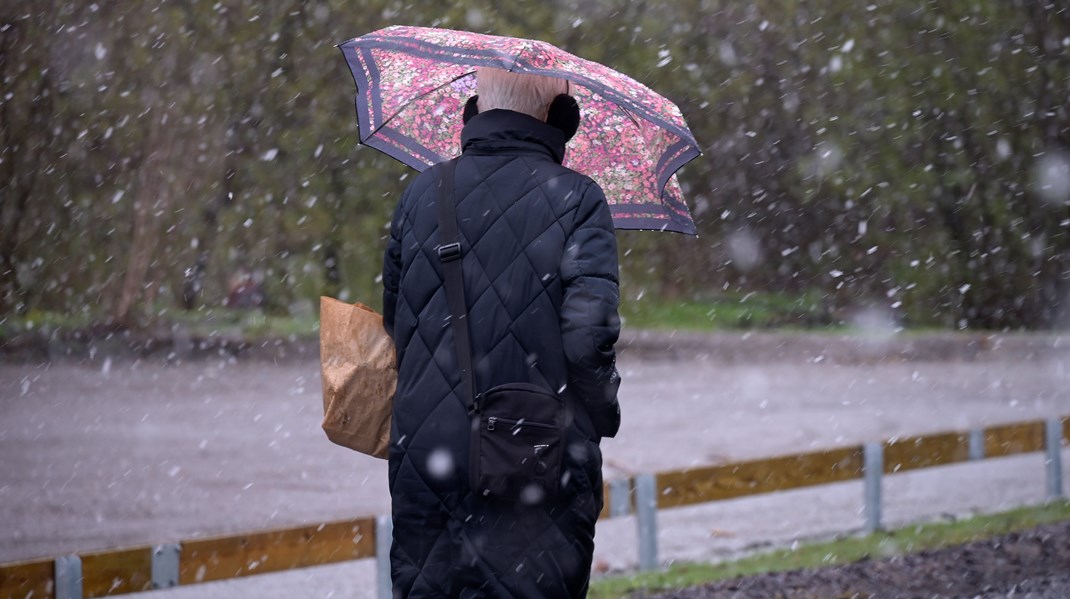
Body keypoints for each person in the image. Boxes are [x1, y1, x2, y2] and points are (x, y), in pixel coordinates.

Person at [381, 67, 622, 598]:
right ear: (562, 120)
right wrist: (604, 412)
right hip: (535, 457)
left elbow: (396, 325)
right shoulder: (579, 199)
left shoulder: (422, 191)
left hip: (425, 456)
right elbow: (588, 337)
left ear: (474, 112)